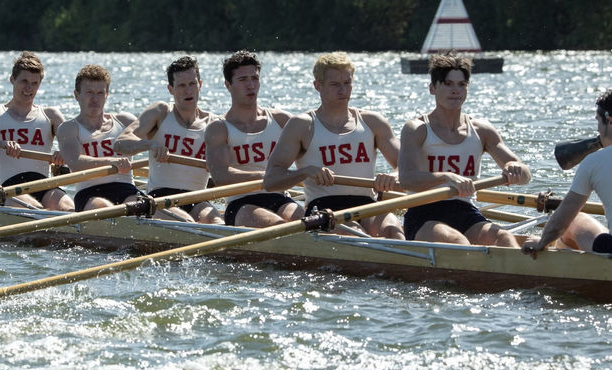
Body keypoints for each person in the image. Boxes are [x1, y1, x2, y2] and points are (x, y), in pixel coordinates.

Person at [264, 52, 403, 238]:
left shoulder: (373, 122)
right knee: (357, 235)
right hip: (324, 210)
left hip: (367, 206)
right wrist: (305, 172)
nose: (343, 91)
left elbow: (407, 167)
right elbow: (271, 180)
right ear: (317, 86)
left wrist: (393, 176)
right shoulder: (302, 125)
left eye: (347, 83)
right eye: (335, 85)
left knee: (394, 232)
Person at [398, 53, 531, 246]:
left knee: (504, 237)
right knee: (457, 242)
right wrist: (446, 177)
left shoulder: (482, 130)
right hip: (423, 213)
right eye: (448, 84)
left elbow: (526, 176)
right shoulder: (416, 129)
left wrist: (514, 168)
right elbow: (407, 180)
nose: (456, 91)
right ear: (432, 88)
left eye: (461, 85)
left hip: (465, 211)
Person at [0, 51, 74, 211]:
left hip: (44, 185)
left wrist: (65, 152)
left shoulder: (50, 114)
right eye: (24, 81)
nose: (29, 88)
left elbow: (76, 144)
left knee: (69, 209)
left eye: (34, 83)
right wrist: (0, 144)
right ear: (12, 80)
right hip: (10, 188)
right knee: (35, 210)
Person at [114, 56, 223, 223]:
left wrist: (219, 166)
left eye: (192, 84)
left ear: (200, 85)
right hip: (161, 198)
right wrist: (150, 145)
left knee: (219, 225)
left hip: (198, 199)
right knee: (188, 224)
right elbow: (121, 143)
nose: (188, 91)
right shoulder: (161, 112)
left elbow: (229, 167)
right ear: (171, 89)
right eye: (181, 86)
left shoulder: (214, 124)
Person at [205, 50, 304, 227]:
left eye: (255, 79)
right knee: (281, 226)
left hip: (279, 198)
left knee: (309, 223)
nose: (251, 85)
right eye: (243, 80)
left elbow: (314, 151)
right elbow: (221, 176)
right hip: (241, 204)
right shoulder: (219, 128)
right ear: (228, 85)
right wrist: (267, 176)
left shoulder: (282, 120)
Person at [522, 90, 612, 257]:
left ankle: (566, 272)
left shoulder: (594, 162)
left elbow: (561, 221)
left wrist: (542, 242)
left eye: (598, 122)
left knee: (575, 220)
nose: (598, 130)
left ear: (609, 120)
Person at [56, 64, 139, 212]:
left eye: (100, 93)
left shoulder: (126, 121)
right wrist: (111, 161)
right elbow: (75, 163)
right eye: (89, 92)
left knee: (139, 207)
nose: (95, 99)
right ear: (76, 95)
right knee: (105, 208)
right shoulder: (68, 128)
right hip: (90, 194)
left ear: (107, 95)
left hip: (126, 189)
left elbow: (155, 139)